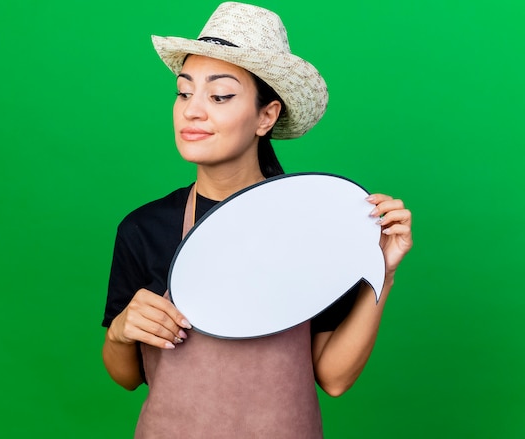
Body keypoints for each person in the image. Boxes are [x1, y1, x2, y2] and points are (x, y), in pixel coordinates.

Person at [101, 2, 413, 438]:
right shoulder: (143, 228)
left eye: (220, 95)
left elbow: (334, 378)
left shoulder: (314, 226)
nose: (193, 110)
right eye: (184, 91)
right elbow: (128, 376)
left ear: (266, 116)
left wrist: (384, 269)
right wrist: (120, 332)